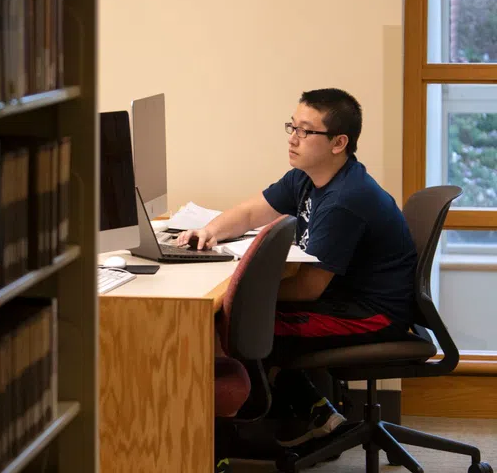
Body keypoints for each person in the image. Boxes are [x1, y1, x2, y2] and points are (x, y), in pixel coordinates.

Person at [177, 88, 417, 448]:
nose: (293, 138)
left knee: (243, 326)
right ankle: (313, 411)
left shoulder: (345, 201)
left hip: (372, 313)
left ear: (339, 143)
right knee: (244, 319)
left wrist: (239, 294)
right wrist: (209, 231)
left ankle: (258, 425)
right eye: (292, 126)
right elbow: (250, 212)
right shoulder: (309, 177)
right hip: (344, 300)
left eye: (305, 131)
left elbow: (309, 289)